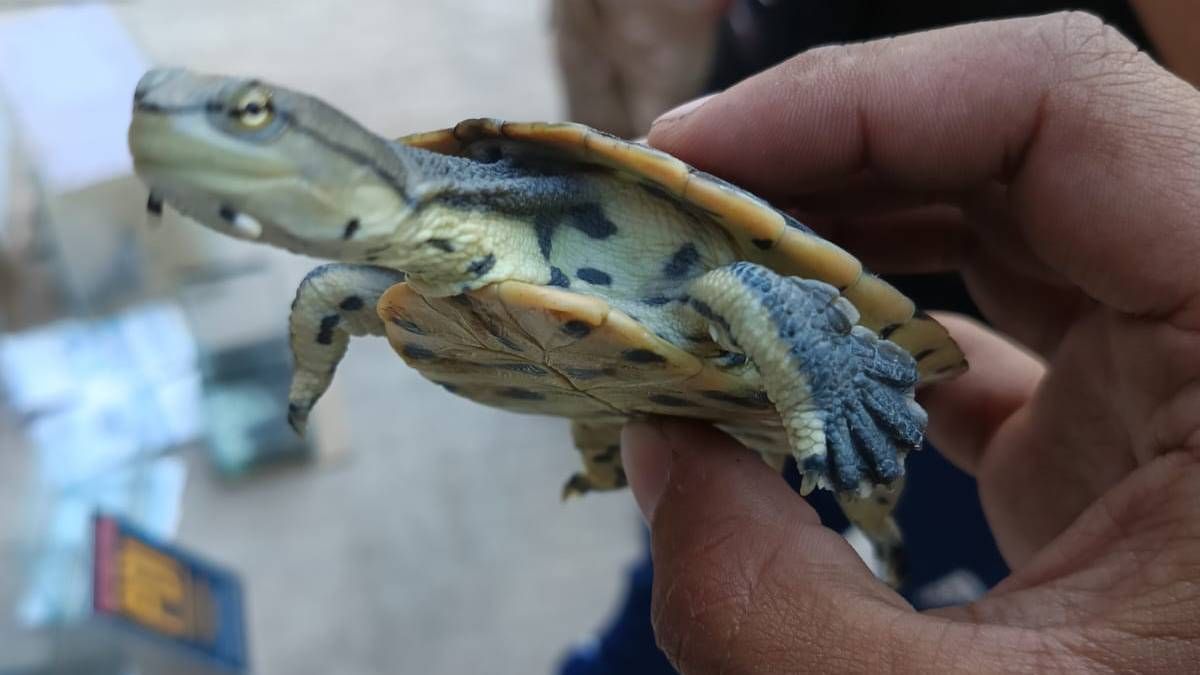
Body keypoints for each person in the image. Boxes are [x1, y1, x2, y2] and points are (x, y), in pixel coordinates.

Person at [616, 12, 1200, 672]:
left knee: (925, 530)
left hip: (945, 357)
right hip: (742, 343)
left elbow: (738, 278)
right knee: (672, 582)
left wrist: (830, 378)